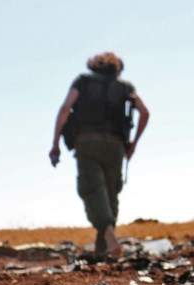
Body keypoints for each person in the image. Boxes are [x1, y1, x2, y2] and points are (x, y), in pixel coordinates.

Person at [48, 52, 149, 256]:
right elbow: (144, 112)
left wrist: (55, 143)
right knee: (111, 193)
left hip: (87, 141)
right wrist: (134, 144)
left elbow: (65, 108)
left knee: (93, 188)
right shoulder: (125, 87)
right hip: (116, 144)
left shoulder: (83, 82)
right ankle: (103, 249)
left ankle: (109, 238)